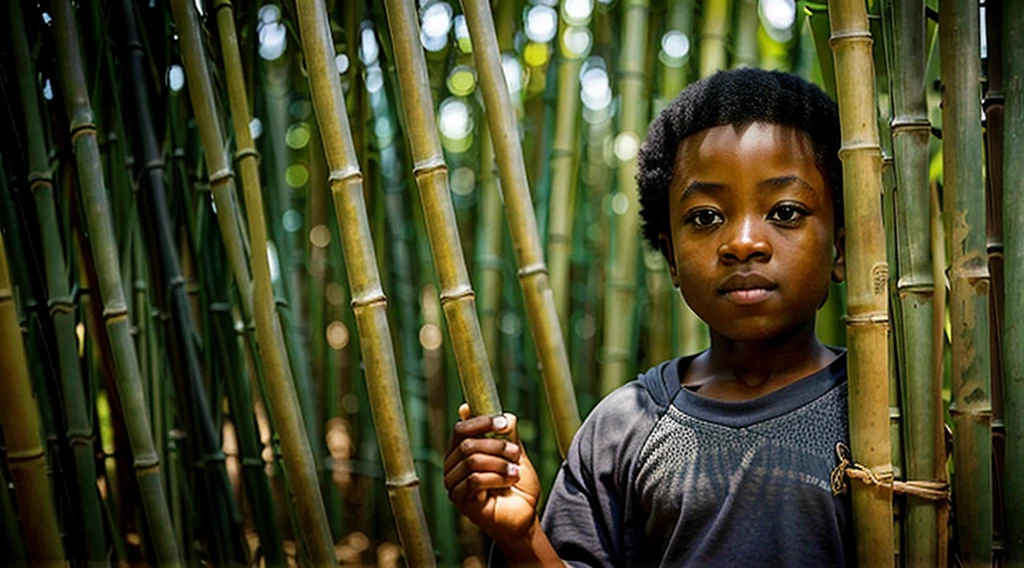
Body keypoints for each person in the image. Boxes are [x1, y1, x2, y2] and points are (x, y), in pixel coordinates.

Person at [443, 68, 853, 566]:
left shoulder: (885, 412)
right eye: (706, 217)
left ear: (842, 248)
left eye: (785, 212)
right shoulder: (625, 428)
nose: (744, 242)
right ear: (672, 257)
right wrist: (522, 535)